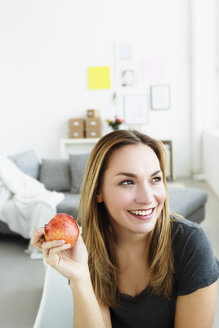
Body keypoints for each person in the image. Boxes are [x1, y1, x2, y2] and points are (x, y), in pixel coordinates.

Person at [31, 129, 219, 328]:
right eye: (127, 182)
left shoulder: (189, 244)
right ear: (98, 192)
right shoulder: (87, 250)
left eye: (155, 179)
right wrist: (80, 277)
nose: (147, 198)